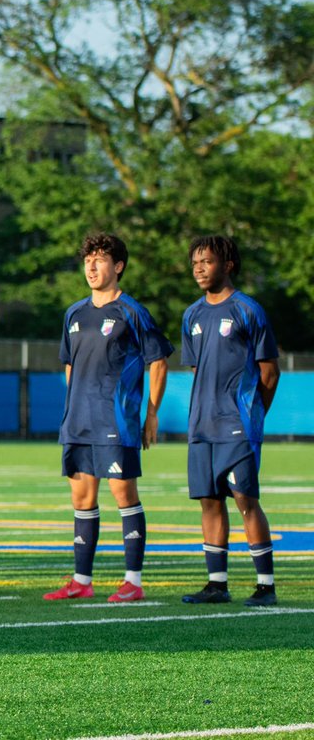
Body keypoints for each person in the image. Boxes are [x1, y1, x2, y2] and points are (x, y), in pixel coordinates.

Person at [43, 233, 172, 603]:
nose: (91, 266)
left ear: (118, 266)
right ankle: (82, 581)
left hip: (116, 419)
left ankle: (133, 580)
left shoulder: (131, 311)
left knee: (123, 494)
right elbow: (69, 365)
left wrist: (151, 413)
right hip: (78, 422)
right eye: (87, 260)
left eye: (99, 260)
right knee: (82, 498)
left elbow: (158, 362)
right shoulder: (74, 312)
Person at [179, 236, 280, 607]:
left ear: (228, 265)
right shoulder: (191, 315)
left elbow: (269, 372)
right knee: (208, 501)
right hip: (201, 425)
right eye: (195, 264)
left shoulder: (248, 310)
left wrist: (253, 415)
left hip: (237, 425)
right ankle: (216, 584)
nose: (199, 269)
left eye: (206, 261)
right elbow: (197, 370)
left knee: (246, 501)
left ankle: (265, 586)